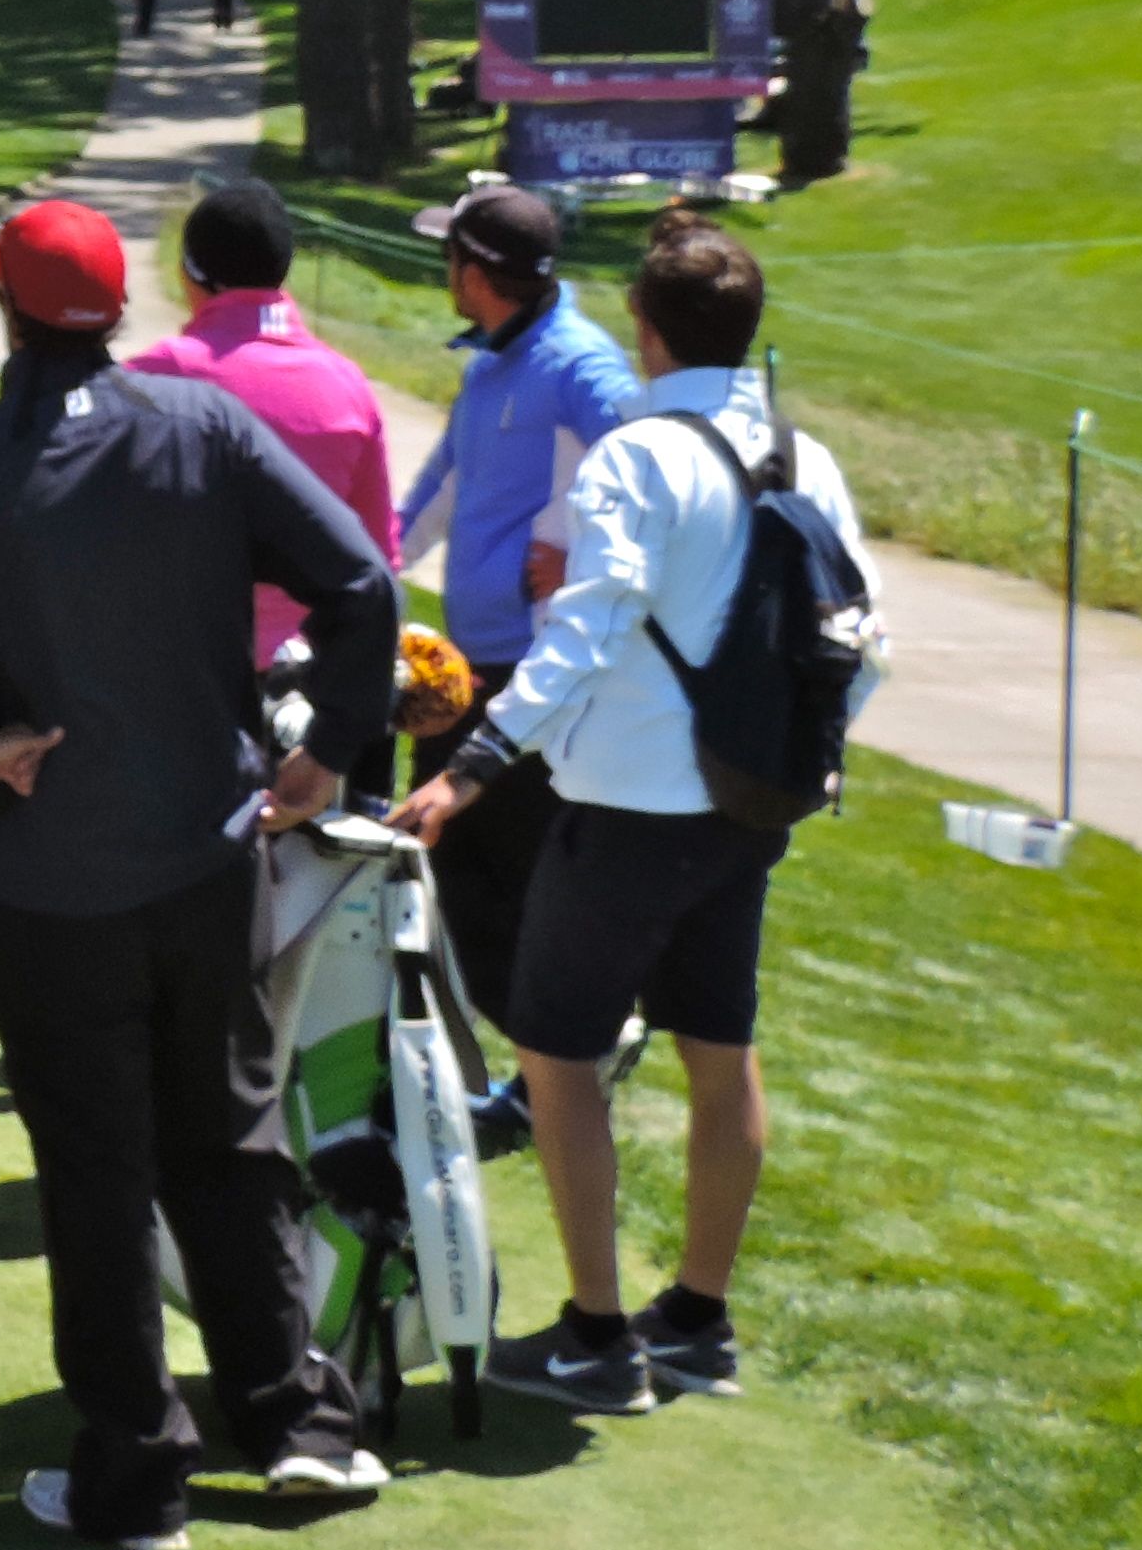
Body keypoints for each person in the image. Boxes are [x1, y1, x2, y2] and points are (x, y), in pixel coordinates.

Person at [0, 196, 400, 1550]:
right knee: (230, 1140)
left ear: (5, 308)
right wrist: (329, 755)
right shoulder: (202, 429)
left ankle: (138, 1476)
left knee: (97, 1172)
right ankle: (297, 1425)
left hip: (50, 887)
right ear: (119, 306)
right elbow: (360, 583)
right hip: (205, 865)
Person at [393, 210, 886, 1415]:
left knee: (557, 1061)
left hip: (624, 811)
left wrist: (472, 764)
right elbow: (861, 645)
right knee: (723, 1054)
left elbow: (587, 629)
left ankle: (598, 1338)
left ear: (648, 332)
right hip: (748, 811)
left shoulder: (634, 457)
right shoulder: (805, 457)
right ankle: (700, 1321)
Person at [390, 183, 645, 1023]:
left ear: (477, 273)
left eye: (450, 254)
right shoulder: (496, 360)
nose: (446, 269)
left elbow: (650, 467)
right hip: (472, 673)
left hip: (538, 675)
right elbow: (439, 488)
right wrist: (370, 567)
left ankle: (566, 1058)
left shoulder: (579, 366)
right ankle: (514, 1066)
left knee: (523, 884)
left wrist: (580, 551)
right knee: (452, 879)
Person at [119, 180, 400, 703]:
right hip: (310, 701)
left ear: (188, 272)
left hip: (179, 684)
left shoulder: (146, 382)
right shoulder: (348, 385)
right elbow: (380, 558)